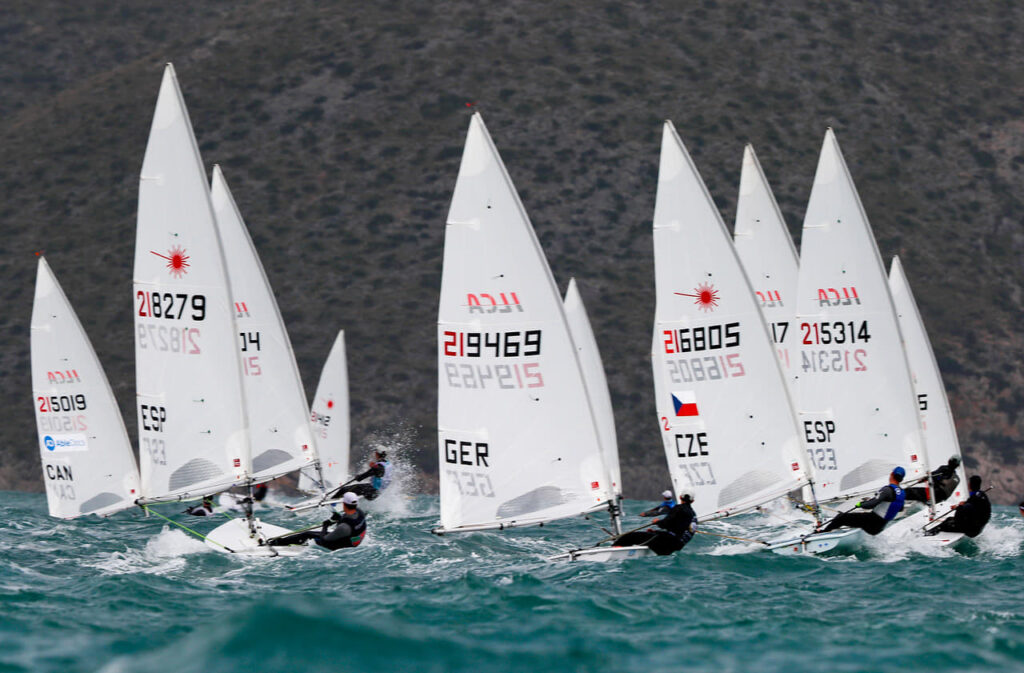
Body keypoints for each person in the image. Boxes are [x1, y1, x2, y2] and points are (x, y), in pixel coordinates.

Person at [820, 467, 906, 536]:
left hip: (872, 522)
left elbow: (871, 505)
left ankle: (824, 533)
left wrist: (861, 504)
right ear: (901, 479)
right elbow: (900, 509)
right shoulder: (902, 493)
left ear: (891, 474)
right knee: (857, 517)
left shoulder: (887, 489)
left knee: (841, 517)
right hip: (880, 526)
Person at [268, 492, 367, 550]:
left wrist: (325, 525)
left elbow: (325, 540)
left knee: (307, 534)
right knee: (315, 534)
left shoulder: (344, 528)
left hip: (341, 546)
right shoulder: (359, 512)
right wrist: (336, 519)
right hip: (352, 541)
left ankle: (276, 543)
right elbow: (348, 522)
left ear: (344, 504)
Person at [613, 492, 697, 555]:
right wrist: (656, 532)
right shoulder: (693, 515)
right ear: (692, 501)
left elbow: (666, 524)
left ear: (680, 497)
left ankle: (614, 550)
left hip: (666, 543)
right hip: (677, 546)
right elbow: (678, 530)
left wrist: (657, 522)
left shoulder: (679, 508)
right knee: (650, 536)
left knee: (631, 536)